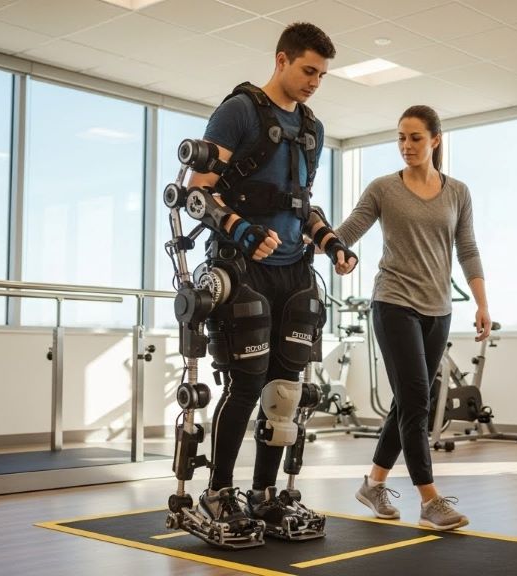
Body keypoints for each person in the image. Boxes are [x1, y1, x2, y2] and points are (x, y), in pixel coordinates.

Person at [187, 22, 357, 537]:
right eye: (308, 70)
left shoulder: (313, 127)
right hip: (243, 272)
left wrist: (332, 244)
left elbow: (299, 203)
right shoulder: (239, 111)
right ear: (281, 60)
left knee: (286, 391)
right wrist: (239, 230)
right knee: (245, 385)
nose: (314, 82)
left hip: (294, 273)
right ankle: (218, 492)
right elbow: (198, 192)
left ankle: (263, 496)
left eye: (322, 75)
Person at [335, 105, 490, 531]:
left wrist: (482, 303)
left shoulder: (457, 191)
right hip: (393, 302)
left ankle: (373, 484)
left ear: (435, 140)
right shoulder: (384, 188)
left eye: (415, 138)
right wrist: (332, 249)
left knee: (409, 401)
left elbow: (468, 249)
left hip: (439, 309)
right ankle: (430, 499)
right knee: (419, 399)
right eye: (401, 137)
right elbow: (348, 232)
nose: (406, 146)